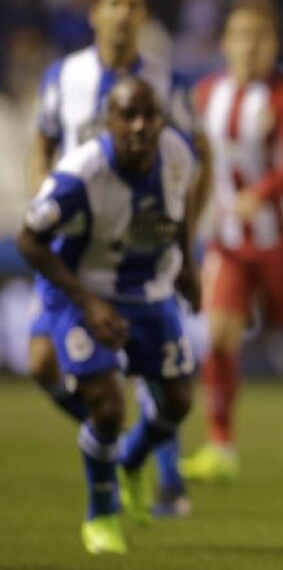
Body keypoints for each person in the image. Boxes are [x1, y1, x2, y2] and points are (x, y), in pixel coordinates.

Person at [26, 0, 207, 517]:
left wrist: (185, 247)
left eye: (133, 4)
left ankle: (151, 472)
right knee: (40, 363)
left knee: (165, 379)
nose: (123, 13)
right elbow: (44, 141)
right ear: (95, 14)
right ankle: (106, 434)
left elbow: (195, 158)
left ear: (144, 14)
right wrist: (44, 196)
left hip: (143, 246)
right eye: (113, 3)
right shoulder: (65, 76)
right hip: (75, 243)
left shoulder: (166, 82)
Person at [16, 77, 200, 554]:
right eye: (129, 115)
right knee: (109, 406)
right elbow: (28, 240)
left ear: (161, 119)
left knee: (179, 402)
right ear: (108, 122)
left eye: (150, 115)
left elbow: (177, 214)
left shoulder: (178, 155)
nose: (141, 126)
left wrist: (189, 265)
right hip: (85, 291)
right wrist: (87, 300)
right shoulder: (80, 175)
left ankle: (133, 461)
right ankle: (101, 515)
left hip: (150, 289)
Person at [180, 3, 283, 488]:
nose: (249, 44)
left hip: (281, 242)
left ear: (273, 44)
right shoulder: (207, 93)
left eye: (259, 35)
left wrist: (263, 193)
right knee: (218, 336)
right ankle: (221, 445)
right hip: (229, 242)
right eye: (240, 34)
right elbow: (197, 163)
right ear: (225, 42)